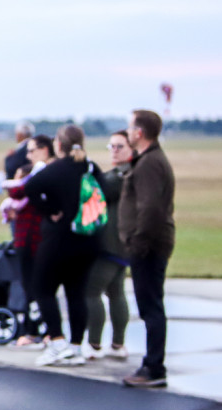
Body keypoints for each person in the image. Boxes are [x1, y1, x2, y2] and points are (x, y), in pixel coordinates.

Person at [22, 125, 103, 367]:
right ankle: (76, 346)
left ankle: (57, 341)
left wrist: (50, 211)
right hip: (88, 239)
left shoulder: (55, 169)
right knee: (76, 293)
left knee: (43, 288)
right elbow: (104, 191)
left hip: (59, 239)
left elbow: (29, 188)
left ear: (59, 145)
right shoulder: (90, 167)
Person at [120, 109, 176, 388]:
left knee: (151, 306)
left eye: (130, 128)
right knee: (150, 306)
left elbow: (151, 208)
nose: (128, 132)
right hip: (149, 243)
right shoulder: (148, 160)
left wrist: (138, 243)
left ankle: (154, 367)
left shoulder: (149, 164)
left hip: (149, 245)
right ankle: (152, 364)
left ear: (139, 133)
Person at [84, 131, 133, 360]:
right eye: (111, 146)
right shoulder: (127, 173)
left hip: (110, 244)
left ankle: (94, 344)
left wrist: (89, 171)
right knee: (115, 292)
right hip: (121, 244)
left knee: (91, 292)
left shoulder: (124, 174)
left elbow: (101, 187)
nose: (114, 150)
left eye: (120, 146)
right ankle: (117, 344)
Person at [3, 135, 55, 347]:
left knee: (33, 286)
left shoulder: (42, 171)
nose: (28, 155)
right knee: (39, 286)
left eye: (32, 150)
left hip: (32, 237)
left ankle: (34, 330)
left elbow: (19, 190)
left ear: (44, 150)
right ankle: (44, 329)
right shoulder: (48, 170)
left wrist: (10, 185)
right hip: (39, 237)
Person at [4, 121, 35, 189]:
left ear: (20, 134)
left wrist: (9, 157)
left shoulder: (24, 148)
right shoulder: (34, 146)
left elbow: (11, 169)